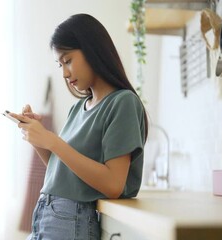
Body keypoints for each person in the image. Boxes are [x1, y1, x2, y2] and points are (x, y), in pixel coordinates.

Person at [9, 13, 148, 240]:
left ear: (92, 49)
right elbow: (63, 170)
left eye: (68, 60)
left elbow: (114, 184)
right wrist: (39, 139)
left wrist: (53, 141)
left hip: (69, 219)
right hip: (46, 213)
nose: (64, 73)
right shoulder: (78, 108)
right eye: (60, 64)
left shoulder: (122, 102)